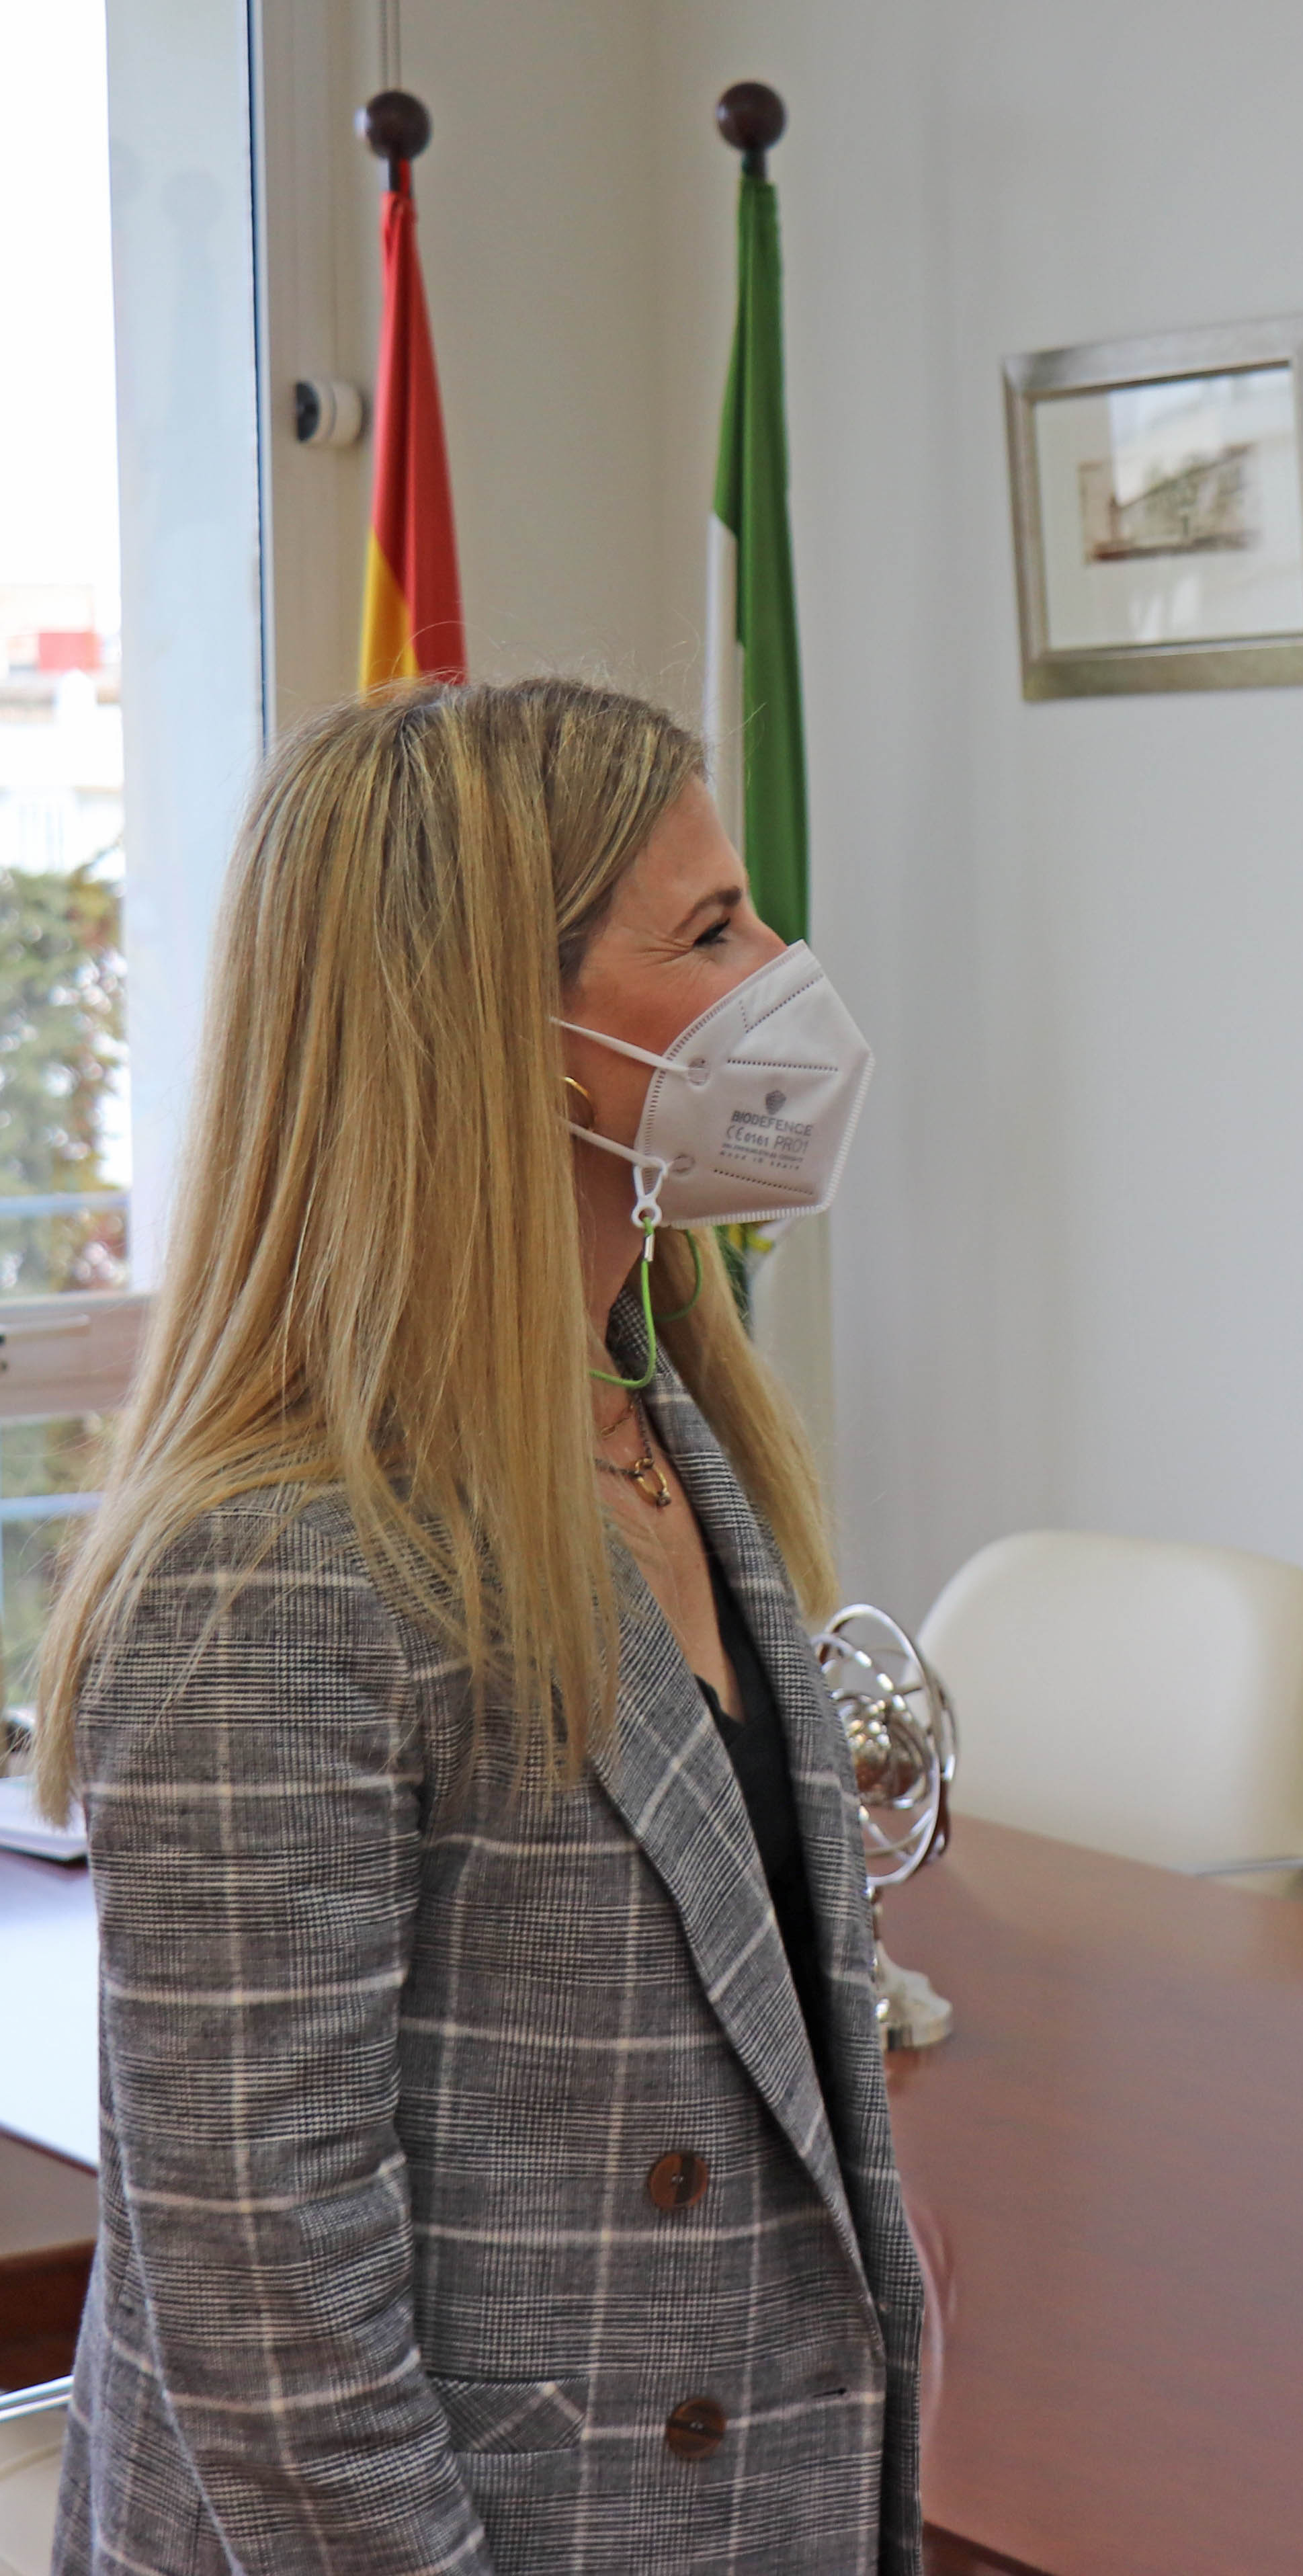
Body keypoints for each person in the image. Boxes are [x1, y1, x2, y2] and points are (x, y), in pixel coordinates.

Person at [32, 679, 923, 2575]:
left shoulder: (675, 1422)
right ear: (501, 1037)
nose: (788, 971)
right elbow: (277, 2345)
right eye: (709, 933)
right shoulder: (270, 1570)